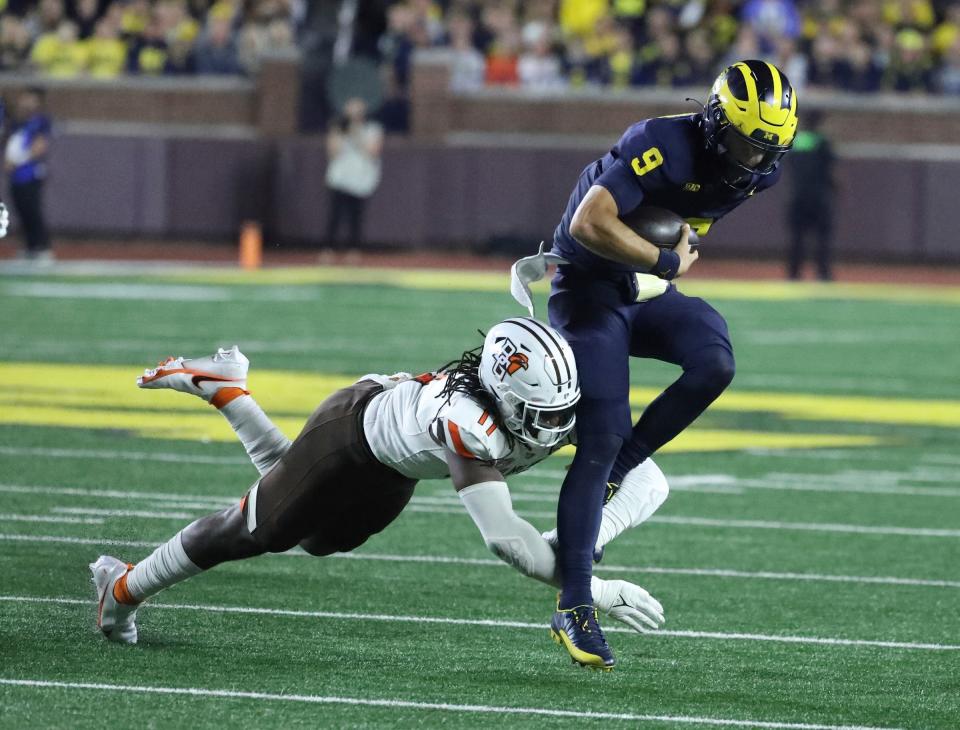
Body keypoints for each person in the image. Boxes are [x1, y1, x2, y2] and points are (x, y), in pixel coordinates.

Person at [91, 318, 669, 664]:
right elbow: (503, 537)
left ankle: (228, 392)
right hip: (351, 436)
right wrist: (589, 586)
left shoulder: (563, 398)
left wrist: (588, 538)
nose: (553, 426)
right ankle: (123, 588)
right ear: (501, 392)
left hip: (397, 469)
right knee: (256, 530)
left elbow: (647, 475)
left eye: (560, 411)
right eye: (537, 413)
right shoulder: (466, 420)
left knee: (317, 538)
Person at [520, 60, 798, 669]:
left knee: (714, 360)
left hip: (641, 290)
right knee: (599, 435)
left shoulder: (758, 175)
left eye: (769, 148)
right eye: (749, 144)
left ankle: (624, 466)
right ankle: (573, 605)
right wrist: (664, 261)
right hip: (589, 286)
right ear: (717, 124)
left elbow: (690, 222)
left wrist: (665, 260)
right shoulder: (663, 143)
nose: (757, 160)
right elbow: (587, 221)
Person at [323, 97, 383, 250]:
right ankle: (328, 249)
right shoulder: (338, 127)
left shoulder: (372, 128)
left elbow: (373, 152)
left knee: (356, 217)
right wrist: (339, 132)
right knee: (335, 216)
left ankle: (354, 250)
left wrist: (356, 133)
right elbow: (332, 152)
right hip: (340, 178)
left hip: (360, 180)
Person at [4, 87, 52, 262]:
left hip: (30, 173)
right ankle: (30, 246)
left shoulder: (41, 121)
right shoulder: (16, 122)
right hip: (16, 174)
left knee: (32, 210)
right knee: (21, 210)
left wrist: (18, 159)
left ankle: (42, 247)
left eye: (30, 99)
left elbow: (40, 145)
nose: (25, 102)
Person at [786, 109, 835, 281]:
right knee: (822, 238)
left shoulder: (796, 141)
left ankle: (793, 274)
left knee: (797, 238)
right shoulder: (822, 142)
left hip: (798, 196)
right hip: (819, 197)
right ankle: (823, 274)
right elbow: (830, 170)